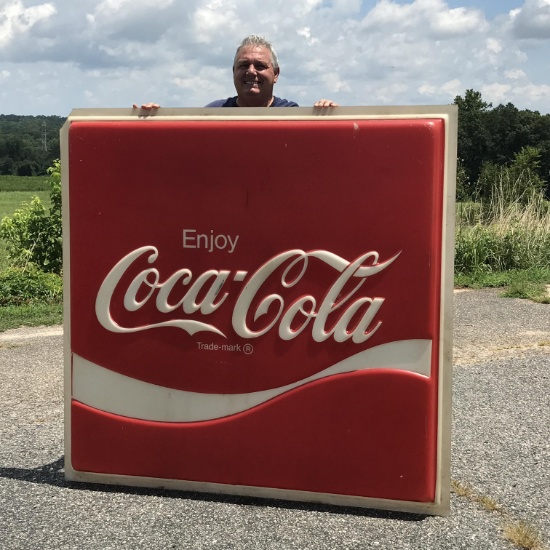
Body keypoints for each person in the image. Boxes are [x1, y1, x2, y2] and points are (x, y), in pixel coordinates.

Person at [134, 35, 338, 110]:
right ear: (233, 72)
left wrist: (332, 116)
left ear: (276, 74)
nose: (251, 72)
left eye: (260, 65)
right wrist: (148, 120)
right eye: (243, 65)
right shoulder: (213, 113)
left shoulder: (292, 114)